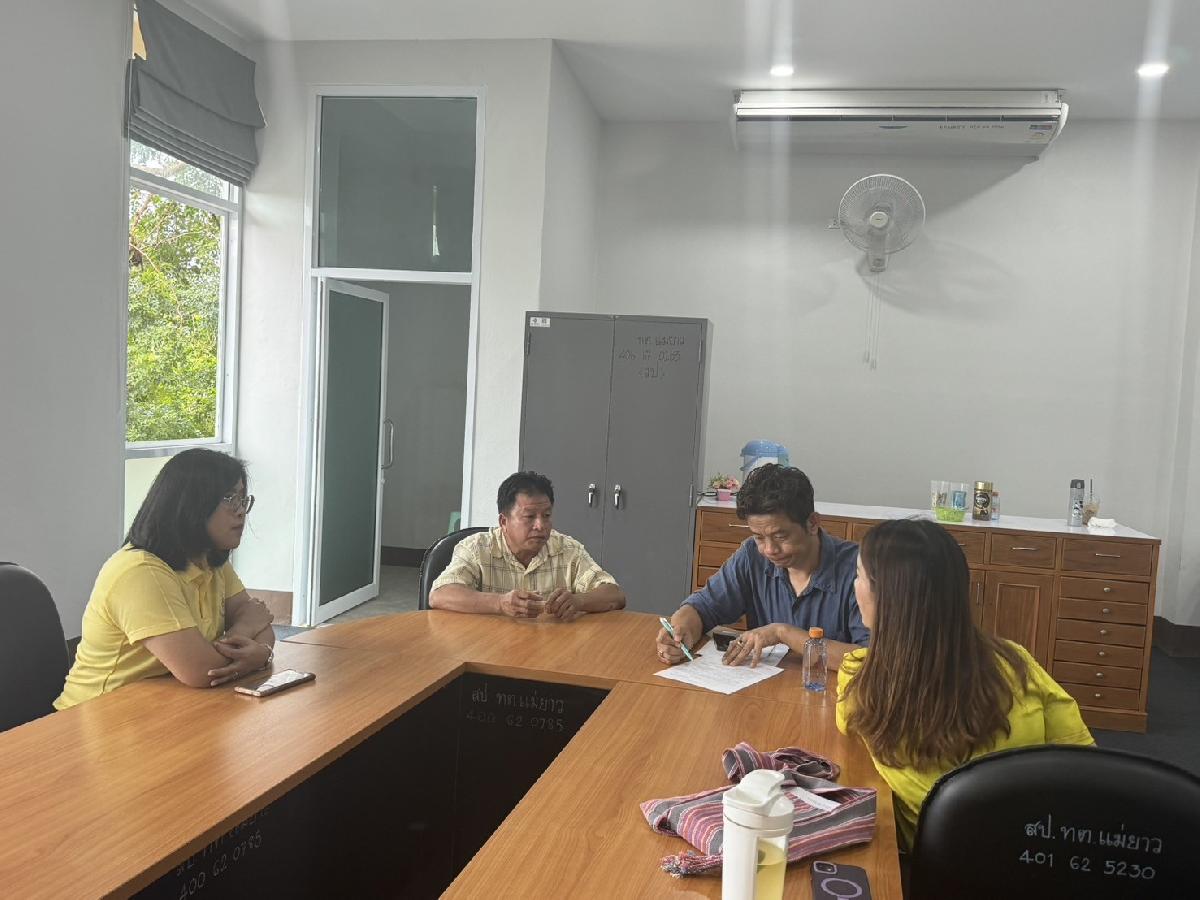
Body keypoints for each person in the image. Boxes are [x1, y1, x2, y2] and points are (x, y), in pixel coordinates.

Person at [837, 518, 1094, 849]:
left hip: (936, 864)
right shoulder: (1018, 664)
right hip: (1037, 850)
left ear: (885, 595)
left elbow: (845, 725)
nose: (853, 585)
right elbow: (1084, 761)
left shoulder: (861, 680)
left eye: (858, 575)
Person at [55, 449, 275, 710]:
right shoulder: (141, 571)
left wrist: (262, 651)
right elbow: (202, 670)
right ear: (191, 504)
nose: (241, 512)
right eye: (229, 498)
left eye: (242, 499)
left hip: (162, 706)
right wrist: (248, 633)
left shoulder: (210, 560)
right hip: (92, 716)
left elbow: (263, 628)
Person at [656, 464, 868, 669]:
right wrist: (682, 630)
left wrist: (782, 633)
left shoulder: (861, 570)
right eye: (759, 537)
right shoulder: (751, 556)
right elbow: (703, 607)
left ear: (812, 523)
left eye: (780, 536)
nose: (769, 550)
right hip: (763, 688)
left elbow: (869, 659)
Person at [429, 471, 625, 619]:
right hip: (489, 650)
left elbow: (615, 595)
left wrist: (579, 601)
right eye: (529, 517)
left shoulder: (568, 550)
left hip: (551, 650)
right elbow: (440, 594)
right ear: (503, 521)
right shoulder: (476, 548)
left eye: (546, 515)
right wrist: (499, 603)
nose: (540, 525)